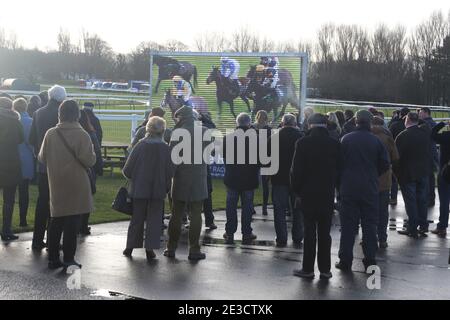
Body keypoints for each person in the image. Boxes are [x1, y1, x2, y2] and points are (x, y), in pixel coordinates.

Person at [38, 100, 96, 269]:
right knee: (72, 223)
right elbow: (90, 160)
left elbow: (42, 157)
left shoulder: (51, 133)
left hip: (56, 181)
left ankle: (53, 258)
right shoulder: (82, 134)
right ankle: (69, 258)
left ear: (60, 113)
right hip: (77, 183)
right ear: (76, 114)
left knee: (56, 221)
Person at [335, 110, 389, 271]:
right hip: (369, 188)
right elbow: (385, 164)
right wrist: (372, 175)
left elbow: (338, 164)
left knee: (348, 227)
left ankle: (345, 260)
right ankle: (370, 258)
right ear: (370, 122)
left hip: (349, 187)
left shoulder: (346, 139)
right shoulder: (376, 141)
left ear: (356, 121)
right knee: (370, 225)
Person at [291, 113, 340, 279]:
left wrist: (297, 191)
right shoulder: (334, 144)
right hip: (327, 194)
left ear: (310, 125)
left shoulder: (303, 143)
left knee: (310, 232)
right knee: (325, 233)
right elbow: (340, 171)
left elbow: (296, 171)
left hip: (307, 194)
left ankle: (308, 268)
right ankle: (325, 269)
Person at [122, 116, 174, 261]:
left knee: (136, 218)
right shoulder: (165, 148)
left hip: (139, 188)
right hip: (158, 189)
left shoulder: (140, 145)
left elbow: (127, 170)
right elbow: (170, 171)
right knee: (155, 219)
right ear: (162, 131)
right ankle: (149, 249)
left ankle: (130, 246)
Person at [164, 106, 209, 260]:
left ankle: (171, 248)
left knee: (176, 214)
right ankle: (194, 249)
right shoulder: (204, 131)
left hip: (180, 178)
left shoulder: (177, 133)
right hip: (199, 177)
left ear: (180, 117)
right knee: (196, 214)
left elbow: (172, 160)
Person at [29, 85, 67, 250]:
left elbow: (31, 139)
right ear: (62, 98)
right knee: (56, 204)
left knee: (42, 202)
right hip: (59, 165)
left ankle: (37, 240)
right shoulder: (62, 115)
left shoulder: (38, 113)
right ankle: (53, 240)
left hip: (42, 164)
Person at [223, 113, 259, 245]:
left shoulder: (228, 138)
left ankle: (230, 232)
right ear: (249, 123)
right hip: (249, 178)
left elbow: (225, 156)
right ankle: (247, 232)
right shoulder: (256, 138)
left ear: (237, 123)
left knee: (231, 206)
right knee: (247, 207)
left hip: (232, 177)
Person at [394, 112, 432, 238]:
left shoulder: (402, 136)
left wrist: (396, 172)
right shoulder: (425, 134)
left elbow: (397, 157)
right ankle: (423, 225)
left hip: (408, 173)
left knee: (411, 202)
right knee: (422, 200)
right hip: (423, 171)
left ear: (407, 120)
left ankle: (412, 227)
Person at [270, 114, 304, 247]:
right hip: (297, 180)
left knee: (279, 209)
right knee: (298, 210)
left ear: (282, 123)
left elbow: (266, 159)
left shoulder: (274, 137)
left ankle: (281, 237)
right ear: (295, 123)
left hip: (279, 179)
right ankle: (298, 236)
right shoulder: (301, 137)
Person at [371, 116, 399, 248]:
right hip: (384, 179)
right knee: (383, 211)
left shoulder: (368, 136)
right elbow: (395, 157)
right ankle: (382, 238)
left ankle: (369, 236)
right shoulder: (388, 137)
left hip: (369, 179)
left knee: (368, 211)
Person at [0, 97, 23, 241]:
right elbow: (21, 139)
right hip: (11, 163)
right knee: (9, 200)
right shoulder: (15, 121)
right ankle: (6, 229)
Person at [78, 109, 103, 235]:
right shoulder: (90, 133)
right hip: (88, 169)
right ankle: (83, 226)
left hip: (75, 170)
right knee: (87, 199)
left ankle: (77, 225)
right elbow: (97, 152)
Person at [13, 98, 34, 227]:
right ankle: (23, 220)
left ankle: (7, 221)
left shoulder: (12, 120)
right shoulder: (30, 121)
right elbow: (31, 142)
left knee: (9, 192)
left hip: (12, 158)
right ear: (25, 107)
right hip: (26, 159)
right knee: (24, 191)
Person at [431, 121, 450, 237]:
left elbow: (432, 133)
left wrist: (442, 123)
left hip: (445, 171)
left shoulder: (446, 136)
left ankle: (442, 226)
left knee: (444, 201)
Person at [199, 112, 217, 230]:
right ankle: (209, 221)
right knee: (207, 195)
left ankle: (186, 218)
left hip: (186, 169)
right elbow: (213, 152)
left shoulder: (183, 130)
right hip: (203, 168)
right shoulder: (206, 131)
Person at [388, 107, 410, 206]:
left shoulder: (394, 125)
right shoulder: (414, 126)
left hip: (396, 154)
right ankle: (409, 202)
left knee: (394, 178)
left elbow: (389, 138)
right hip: (409, 155)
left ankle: (393, 198)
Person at [418, 107, 438, 207]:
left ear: (426, 113)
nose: (419, 114)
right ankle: (431, 199)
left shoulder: (424, 124)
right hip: (432, 153)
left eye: (420, 112)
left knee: (426, 178)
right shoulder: (433, 123)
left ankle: (427, 199)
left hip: (426, 154)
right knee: (431, 177)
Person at [253, 110, 271, 216]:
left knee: (262, 184)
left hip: (260, 158)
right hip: (260, 158)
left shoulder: (253, 128)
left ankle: (261, 207)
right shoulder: (266, 129)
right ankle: (262, 207)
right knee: (262, 184)